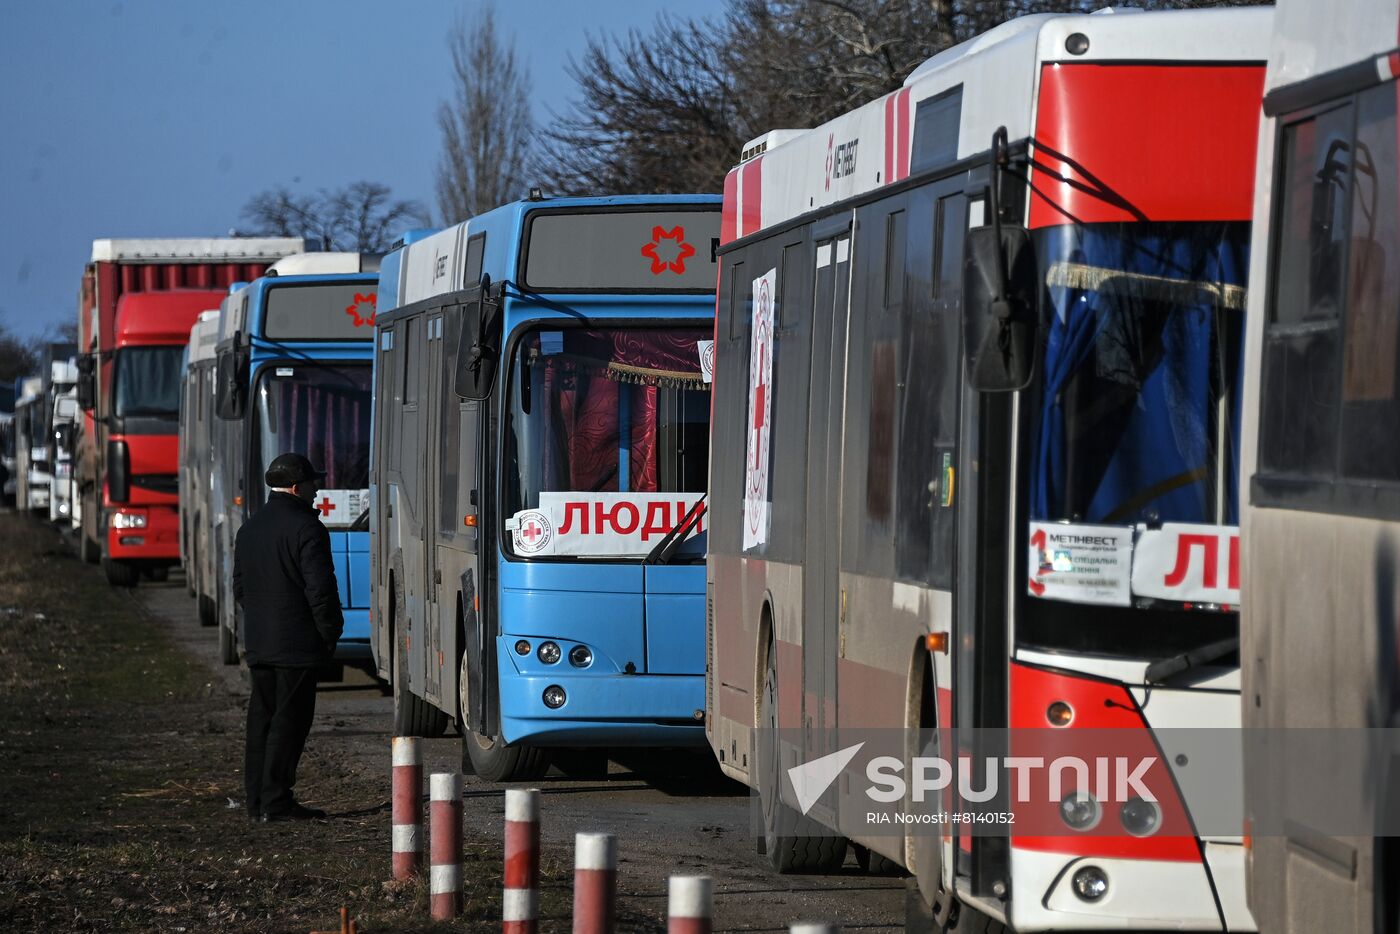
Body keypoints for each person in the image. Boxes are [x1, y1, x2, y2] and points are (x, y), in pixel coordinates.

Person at [233, 452, 344, 822]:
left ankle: (256, 802)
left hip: (261, 643)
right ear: (297, 488)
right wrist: (329, 635)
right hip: (297, 645)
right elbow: (320, 590)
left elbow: (240, 588)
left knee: (261, 720)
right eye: (313, 483)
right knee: (289, 723)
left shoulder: (249, 528)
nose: (317, 490)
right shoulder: (307, 528)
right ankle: (277, 801)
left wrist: (262, 622)